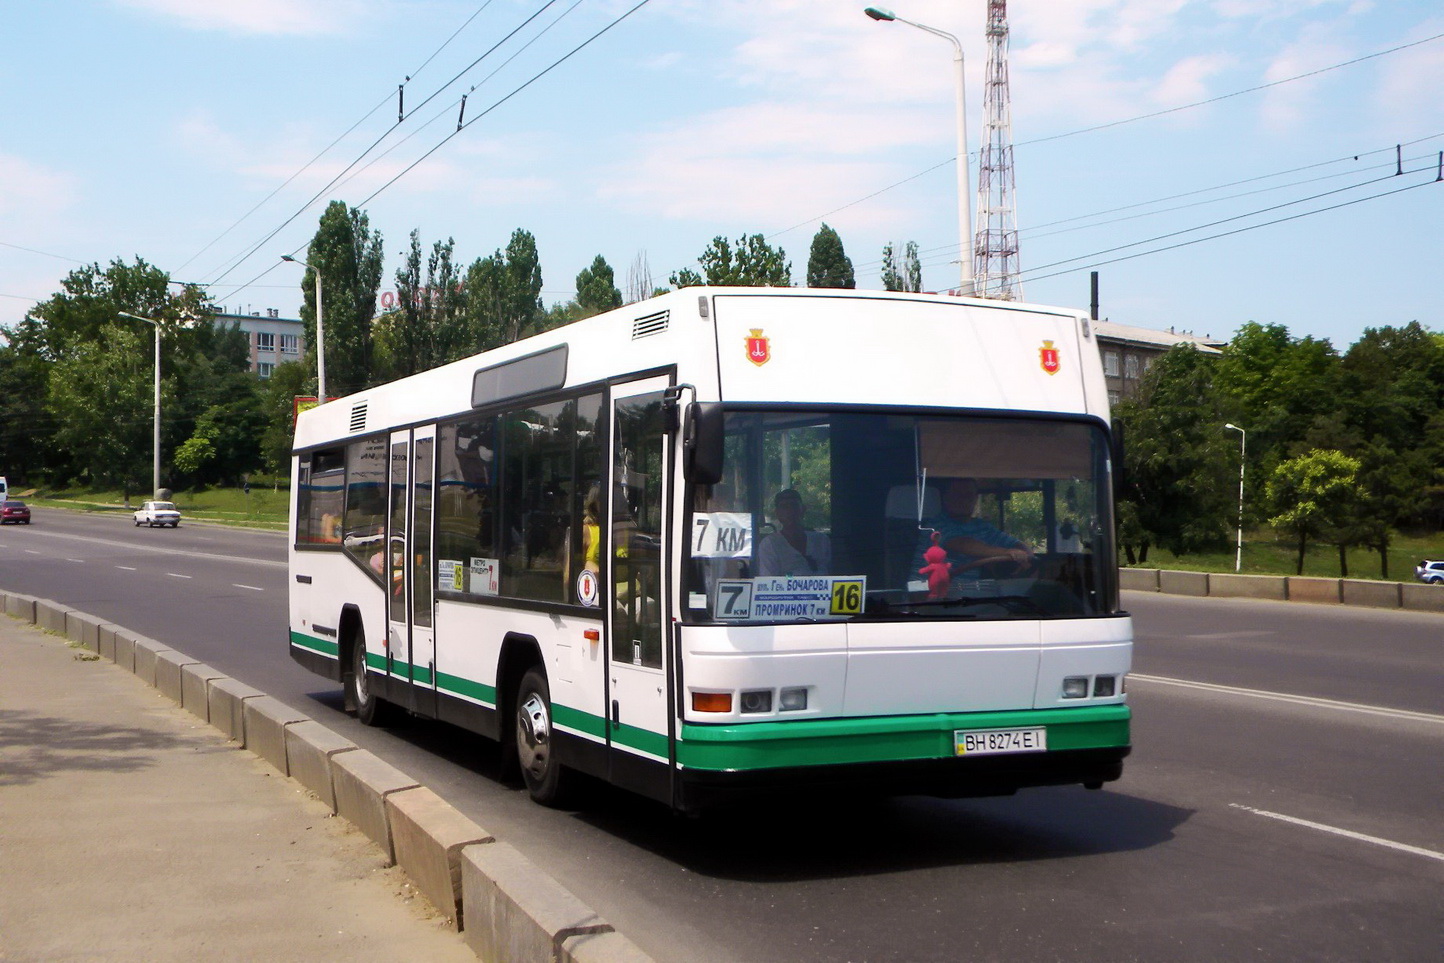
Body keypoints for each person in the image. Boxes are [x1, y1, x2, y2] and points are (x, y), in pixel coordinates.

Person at [919, 477, 1033, 576]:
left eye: (968, 495)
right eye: (957, 495)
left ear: (975, 498)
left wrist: (1026, 557)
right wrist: (1007, 552)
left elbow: (1014, 543)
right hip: (929, 594)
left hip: (970, 591)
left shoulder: (982, 527)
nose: (963, 500)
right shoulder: (934, 525)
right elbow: (963, 545)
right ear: (945, 498)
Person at [757, 488, 831, 577]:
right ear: (777, 513)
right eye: (784, 507)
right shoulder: (769, 544)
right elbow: (768, 583)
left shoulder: (821, 540)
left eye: (794, 505)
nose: (790, 511)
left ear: (803, 509)